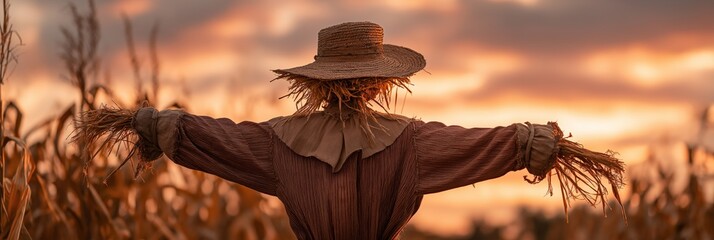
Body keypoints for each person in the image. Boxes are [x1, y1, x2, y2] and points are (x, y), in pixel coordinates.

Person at [89, 22, 620, 239]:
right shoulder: (412, 145)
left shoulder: (277, 144)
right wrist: (540, 145)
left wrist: (153, 126)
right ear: (381, 80)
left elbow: (210, 136)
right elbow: (491, 143)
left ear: (315, 82)